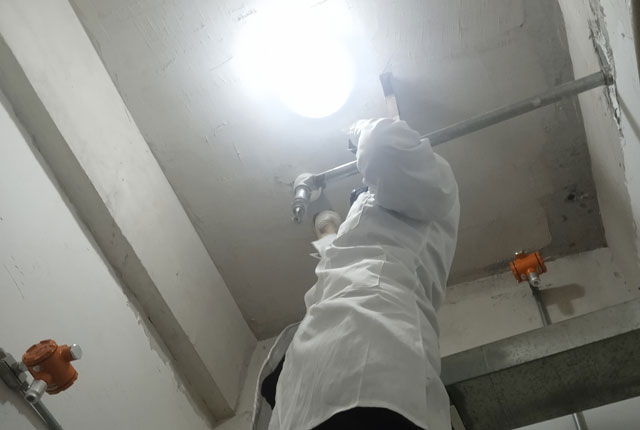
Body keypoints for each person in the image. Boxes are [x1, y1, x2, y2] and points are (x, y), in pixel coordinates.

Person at [253, 118, 460, 430]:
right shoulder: (364, 239)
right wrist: (325, 224)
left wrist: (358, 128)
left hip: (366, 361)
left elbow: (381, 146)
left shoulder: (433, 184)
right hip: (310, 384)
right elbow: (335, 262)